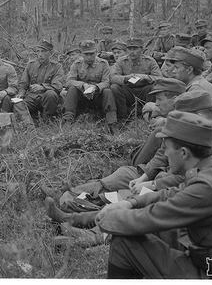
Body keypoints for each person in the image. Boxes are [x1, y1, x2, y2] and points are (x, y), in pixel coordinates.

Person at [96, 111, 212, 279]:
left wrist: (107, 218)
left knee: (123, 243)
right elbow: (172, 194)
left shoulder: (207, 187)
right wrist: (131, 203)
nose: (165, 154)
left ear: (184, 153)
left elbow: (154, 217)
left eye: (167, 148)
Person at [51, 78, 186, 216]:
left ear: (175, 99)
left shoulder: (188, 127)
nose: (156, 104)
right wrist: (144, 178)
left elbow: (178, 173)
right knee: (120, 177)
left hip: (164, 182)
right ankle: (71, 193)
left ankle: (78, 212)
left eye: (160, 99)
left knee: (124, 195)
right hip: (153, 173)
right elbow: (161, 155)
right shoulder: (173, 119)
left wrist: (152, 183)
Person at [170, 47, 212, 128]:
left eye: (177, 68)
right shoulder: (197, 84)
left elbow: (188, 119)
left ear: (189, 70)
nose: (173, 71)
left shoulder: (197, 89)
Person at [62, 40, 117, 132]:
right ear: (82, 54)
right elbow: (69, 81)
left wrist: (96, 87)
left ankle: (112, 123)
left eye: (92, 54)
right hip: (82, 96)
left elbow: (106, 82)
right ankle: (67, 120)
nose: (89, 57)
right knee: (72, 89)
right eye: (86, 54)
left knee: (108, 91)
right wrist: (83, 85)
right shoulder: (76, 64)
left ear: (96, 52)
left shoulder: (103, 64)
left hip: (98, 96)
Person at [110, 37, 162, 125]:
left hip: (144, 90)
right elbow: (113, 77)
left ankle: (148, 115)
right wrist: (126, 78)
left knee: (154, 88)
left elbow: (159, 78)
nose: (132, 52)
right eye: (129, 49)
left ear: (142, 50)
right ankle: (123, 117)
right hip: (128, 90)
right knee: (114, 87)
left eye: (135, 49)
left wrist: (146, 77)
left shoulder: (150, 61)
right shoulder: (121, 61)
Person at [16, 41, 64, 121]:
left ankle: (47, 120)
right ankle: (28, 124)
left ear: (50, 53)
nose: (40, 54)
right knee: (18, 104)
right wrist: (21, 93)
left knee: (51, 94)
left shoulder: (57, 67)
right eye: (38, 51)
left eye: (43, 51)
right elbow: (23, 83)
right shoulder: (31, 65)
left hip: (46, 97)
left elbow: (58, 86)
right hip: (32, 97)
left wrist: (42, 87)